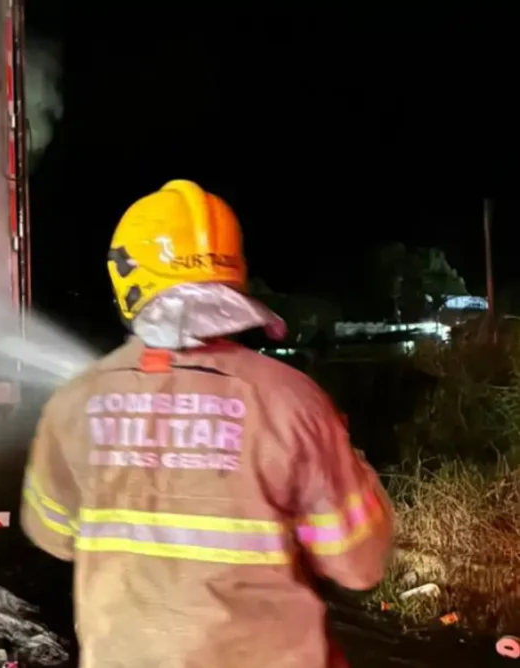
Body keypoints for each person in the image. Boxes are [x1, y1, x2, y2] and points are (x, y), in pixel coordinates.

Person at [20, 180, 394, 668]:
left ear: (126, 277)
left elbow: (51, 531)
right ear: (233, 272)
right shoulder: (294, 402)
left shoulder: (74, 402)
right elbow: (360, 563)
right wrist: (348, 461)